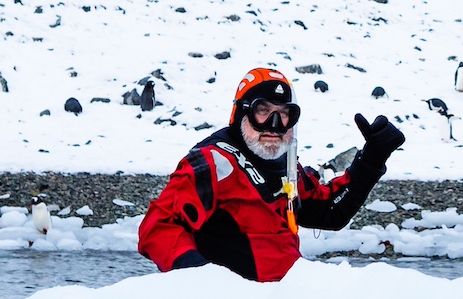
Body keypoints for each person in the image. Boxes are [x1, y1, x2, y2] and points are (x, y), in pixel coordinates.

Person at [137, 67, 402, 281]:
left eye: (284, 114)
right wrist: (200, 278)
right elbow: (158, 227)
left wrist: (371, 159)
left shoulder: (284, 163)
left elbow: (329, 212)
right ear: (242, 112)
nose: (275, 125)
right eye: (263, 112)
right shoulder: (213, 162)